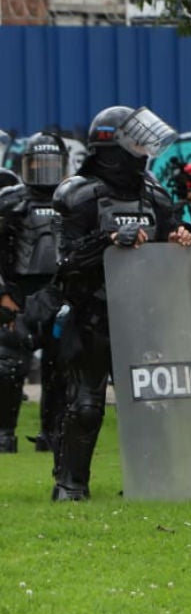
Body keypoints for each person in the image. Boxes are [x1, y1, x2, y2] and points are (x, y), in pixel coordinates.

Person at [51, 107, 191, 501]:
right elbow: (61, 261)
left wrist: (182, 235)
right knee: (85, 405)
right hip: (93, 314)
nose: (141, 149)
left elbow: (171, 232)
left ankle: (155, 485)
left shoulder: (155, 194)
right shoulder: (78, 195)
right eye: (133, 140)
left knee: (155, 404)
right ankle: (70, 485)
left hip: (146, 316)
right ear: (111, 145)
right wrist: (109, 241)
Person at [0, 132, 68, 453]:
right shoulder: (9, 200)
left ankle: (52, 435)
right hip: (18, 296)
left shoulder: (75, 198)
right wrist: (2, 295)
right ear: (26, 164)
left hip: (61, 295)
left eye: (51, 163)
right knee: (8, 367)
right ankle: (4, 435)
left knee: (61, 368)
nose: (44, 169)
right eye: (37, 162)